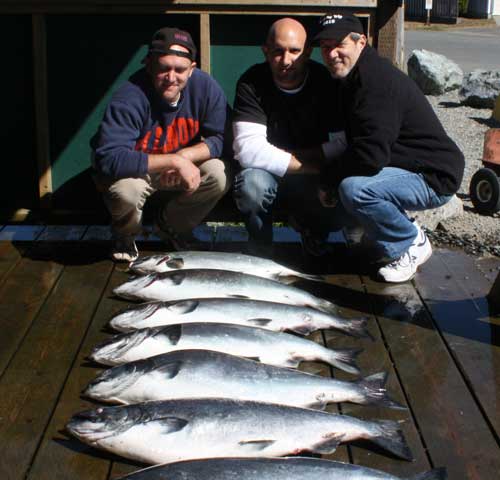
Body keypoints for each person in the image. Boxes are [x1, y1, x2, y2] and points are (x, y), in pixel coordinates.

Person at [313, 13, 465, 282]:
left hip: (434, 176)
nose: (332, 53)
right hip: (406, 166)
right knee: (349, 182)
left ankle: (411, 242)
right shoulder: (351, 78)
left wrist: (329, 179)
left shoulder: (375, 83)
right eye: (325, 47)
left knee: (354, 189)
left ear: (361, 42)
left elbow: (370, 156)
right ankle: (385, 235)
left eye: (340, 44)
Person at [91, 27, 230, 262]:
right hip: (136, 173)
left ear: (192, 69)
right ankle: (124, 235)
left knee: (219, 173)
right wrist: (173, 160)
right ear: (149, 64)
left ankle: (171, 227)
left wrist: (185, 157)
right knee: (126, 191)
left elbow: (223, 137)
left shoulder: (206, 88)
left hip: (178, 170)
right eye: (164, 68)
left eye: (180, 70)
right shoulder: (130, 96)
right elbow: (108, 158)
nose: (171, 77)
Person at [232, 17, 345, 257]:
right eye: (277, 52)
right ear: (265, 51)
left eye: (295, 51)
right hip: (273, 172)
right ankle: (261, 248)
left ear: (308, 52)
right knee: (252, 184)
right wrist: (309, 166)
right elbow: (248, 150)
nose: (286, 61)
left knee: (346, 181)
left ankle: (315, 234)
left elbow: (341, 143)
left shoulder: (326, 82)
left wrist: (310, 165)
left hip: (311, 174)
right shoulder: (251, 82)